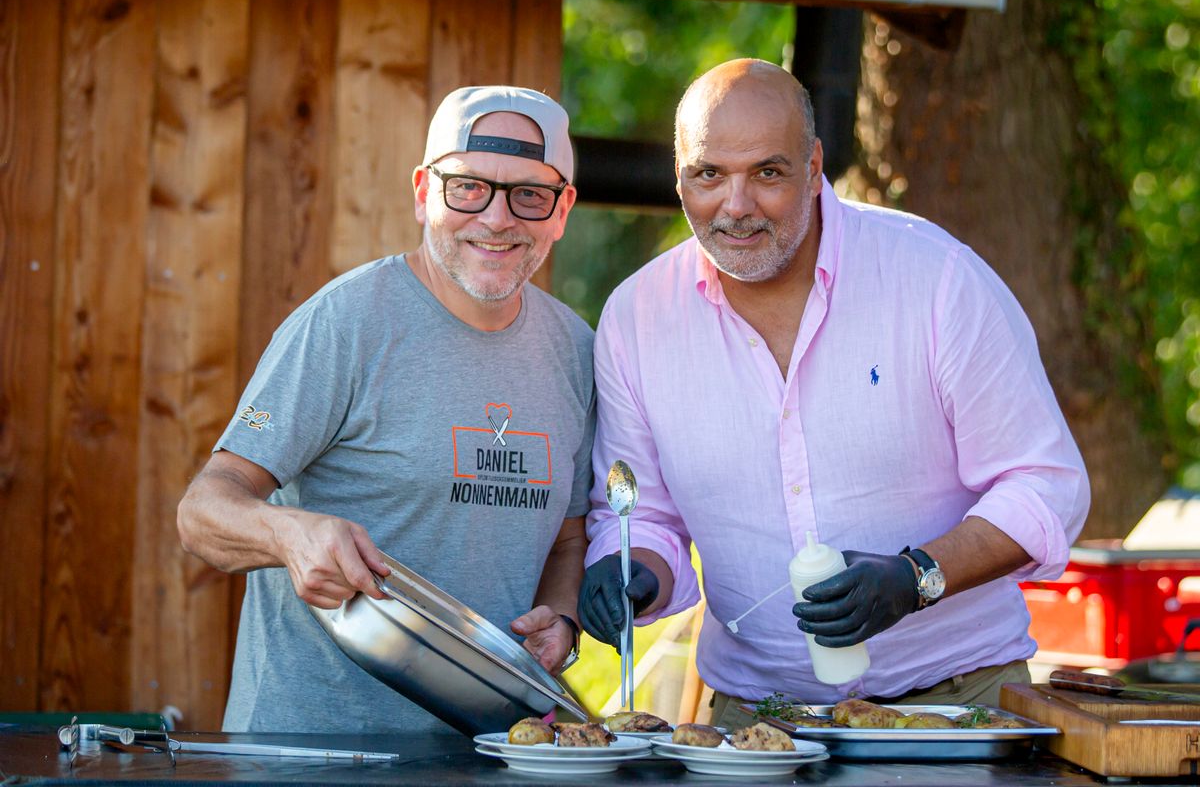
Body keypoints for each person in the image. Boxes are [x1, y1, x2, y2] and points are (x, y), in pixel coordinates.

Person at [577, 59, 1089, 729]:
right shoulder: (636, 319)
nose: (736, 206)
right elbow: (644, 519)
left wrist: (915, 579)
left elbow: (1047, 484)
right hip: (757, 725)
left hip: (956, 708)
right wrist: (630, 575)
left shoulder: (935, 279)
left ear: (814, 168)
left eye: (767, 172)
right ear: (680, 177)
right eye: (709, 175)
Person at [177, 86, 595, 734]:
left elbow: (569, 534)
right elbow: (202, 513)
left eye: (528, 195)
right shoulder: (346, 323)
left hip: (492, 752)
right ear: (425, 191)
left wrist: (560, 614)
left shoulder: (574, 348)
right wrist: (291, 534)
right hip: (310, 753)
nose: (497, 217)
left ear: (561, 209)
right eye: (468, 188)